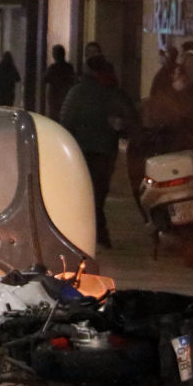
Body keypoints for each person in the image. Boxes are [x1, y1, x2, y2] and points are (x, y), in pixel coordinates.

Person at [59, 55, 138, 249]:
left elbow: (65, 120)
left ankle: (90, 233)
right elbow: (130, 119)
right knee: (99, 193)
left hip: (80, 151)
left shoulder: (76, 93)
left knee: (84, 192)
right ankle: (99, 233)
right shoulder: (113, 93)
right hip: (104, 151)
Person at [42, 44, 76, 118]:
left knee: (55, 116)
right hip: (65, 95)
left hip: (55, 96)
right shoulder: (69, 67)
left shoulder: (53, 68)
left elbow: (44, 79)